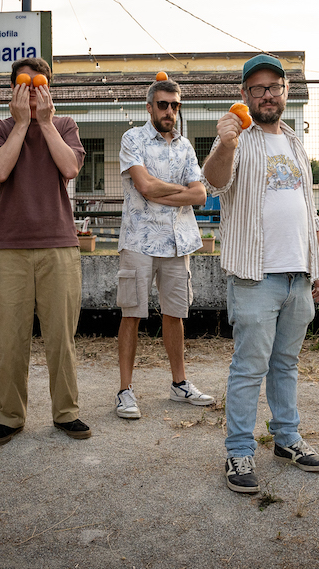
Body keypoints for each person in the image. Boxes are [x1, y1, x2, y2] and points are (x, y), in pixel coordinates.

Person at [203, 54, 319, 494]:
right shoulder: (237, 138)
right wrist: (225, 144)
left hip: (298, 275)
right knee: (249, 368)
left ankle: (287, 439)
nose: (267, 95)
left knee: (286, 364)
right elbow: (214, 183)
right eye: (257, 88)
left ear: (285, 91)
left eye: (274, 86)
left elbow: (307, 209)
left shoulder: (294, 141)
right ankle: (238, 451)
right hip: (255, 276)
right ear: (245, 95)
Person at [0, 57, 90, 446]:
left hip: (59, 245)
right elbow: (0, 171)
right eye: (23, 85)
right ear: (13, 89)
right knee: (10, 339)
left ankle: (66, 413)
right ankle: (10, 417)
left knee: (61, 336)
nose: (31, 91)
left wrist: (44, 123)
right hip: (9, 248)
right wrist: (21, 124)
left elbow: (70, 168)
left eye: (38, 85)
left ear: (48, 89)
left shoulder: (64, 125)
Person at [114, 76, 214, 419]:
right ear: (150, 107)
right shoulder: (133, 139)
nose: (169, 111)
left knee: (175, 314)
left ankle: (179, 384)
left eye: (175, 105)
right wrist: (177, 190)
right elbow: (143, 186)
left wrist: (162, 189)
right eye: (163, 105)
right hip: (139, 241)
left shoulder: (185, 147)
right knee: (131, 314)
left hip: (177, 243)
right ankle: (125, 391)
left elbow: (200, 195)